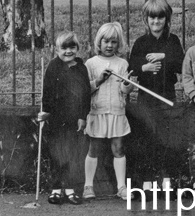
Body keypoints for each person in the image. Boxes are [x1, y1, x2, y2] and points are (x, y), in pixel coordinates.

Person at [128, 0, 184, 190]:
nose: (156, 22)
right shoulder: (141, 42)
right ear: (146, 19)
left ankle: (167, 177)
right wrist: (145, 66)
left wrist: (164, 56)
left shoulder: (173, 41)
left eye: (161, 17)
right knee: (147, 136)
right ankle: (148, 179)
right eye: (152, 18)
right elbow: (131, 66)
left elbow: (181, 63)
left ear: (166, 19)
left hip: (167, 94)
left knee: (166, 136)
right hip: (146, 96)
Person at [36, 31, 90, 205]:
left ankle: (70, 189)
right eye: (64, 48)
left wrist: (83, 116)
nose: (68, 51)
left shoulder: (81, 67)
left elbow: (86, 94)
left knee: (73, 155)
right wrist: (45, 112)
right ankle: (56, 189)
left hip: (74, 118)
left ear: (77, 48)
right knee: (57, 154)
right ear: (56, 49)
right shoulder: (53, 66)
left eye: (72, 47)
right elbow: (47, 93)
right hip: (56, 118)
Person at [83, 21, 135, 201]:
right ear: (99, 42)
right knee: (94, 148)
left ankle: (122, 187)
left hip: (116, 111)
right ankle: (88, 185)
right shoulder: (91, 63)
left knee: (118, 148)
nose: (109, 45)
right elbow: (85, 89)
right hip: (97, 111)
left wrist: (127, 86)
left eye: (113, 42)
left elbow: (124, 90)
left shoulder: (122, 64)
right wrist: (98, 81)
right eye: (106, 41)